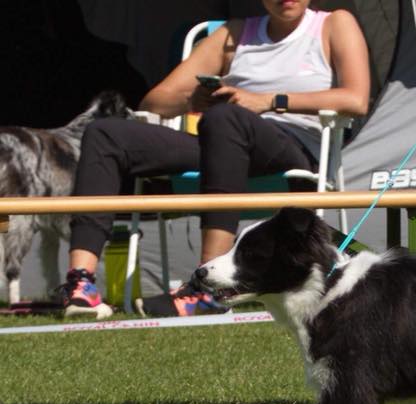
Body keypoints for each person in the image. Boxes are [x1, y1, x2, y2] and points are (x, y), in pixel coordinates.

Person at [59, 0, 369, 318]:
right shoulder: (233, 33)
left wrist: (269, 101)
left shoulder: (333, 24)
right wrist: (194, 99)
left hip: (292, 149)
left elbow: (356, 99)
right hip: (224, 143)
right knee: (105, 134)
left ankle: (207, 287)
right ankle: (81, 285)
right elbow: (155, 101)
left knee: (226, 118)